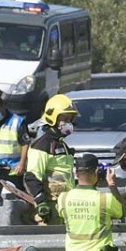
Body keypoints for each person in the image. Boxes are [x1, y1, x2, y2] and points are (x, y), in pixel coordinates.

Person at [24, 94, 78, 224]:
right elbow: (32, 176)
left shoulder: (62, 144)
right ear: (53, 118)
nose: (68, 123)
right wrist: (41, 203)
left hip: (65, 207)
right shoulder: (42, 145)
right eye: (65, 119)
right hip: (50, 209)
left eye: (70, 119)